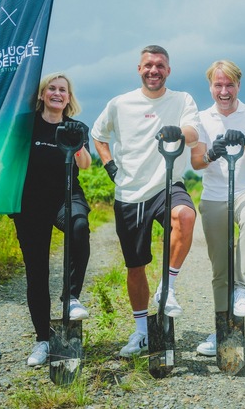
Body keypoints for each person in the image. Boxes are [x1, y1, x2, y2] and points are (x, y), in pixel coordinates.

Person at [91, 45, 200, 358]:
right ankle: (141, 332)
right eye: (148, 65)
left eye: (161, 65)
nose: (154, 70)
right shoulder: (119, 103)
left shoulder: (182, 100)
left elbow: (192, 133)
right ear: (139, 69)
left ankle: (168, 285)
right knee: (135, 266)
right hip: (130, 192)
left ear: (169, 70)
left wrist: (177, 130)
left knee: (186, 216)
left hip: (167, 183)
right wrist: (110, 164)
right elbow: (98, 135)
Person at [11, 72, 93, 366]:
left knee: (79, 227)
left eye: (63, 90)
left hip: (66, 197)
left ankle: (71, 297)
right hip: (29, 203)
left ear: (69, 98)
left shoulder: (76, 126)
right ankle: (43, 340)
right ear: (43, 94)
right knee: (36, 273)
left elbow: (86, 163)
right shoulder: (27, 125)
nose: (58, 93)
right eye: (52, 89)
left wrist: (77, 142)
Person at [190, 60, 245, 357]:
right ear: (210, 86)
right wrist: (212, 152)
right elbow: (197, 162)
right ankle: (221, 329)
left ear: (238, 85)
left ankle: (243, 288)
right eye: (218, 85)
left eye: (230, 84)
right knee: (219, 267)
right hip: (214, 194)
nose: (224, 91)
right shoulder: (201, 118)